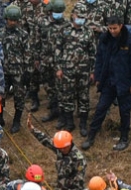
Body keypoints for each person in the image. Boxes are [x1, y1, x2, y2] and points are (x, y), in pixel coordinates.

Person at [51, 6, 97, 138]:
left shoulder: (88, 32)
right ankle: (69, 122)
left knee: (83, 97)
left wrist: (93, 71)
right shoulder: (64, 30)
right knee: (68, 96)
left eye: (83, 17)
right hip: (67, 71)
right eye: (79, 16)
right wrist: (58, 68)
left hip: (84, 71)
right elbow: (58, 50)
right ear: (73, 15)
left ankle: (83, 124)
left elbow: (93, 53)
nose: (80, 19)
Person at [27, 116, 87, 190]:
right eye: (59, 148)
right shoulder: (60, 147)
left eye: (64, 148)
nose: (61, 150)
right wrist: (33, 130)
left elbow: (78, 183)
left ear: (69, 144)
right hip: (60, 189)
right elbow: (46, 140)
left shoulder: (78, 160)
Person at [0, 5, 30, 134]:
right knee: (0, 96)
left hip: (18, 72)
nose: (12, 22)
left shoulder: (23, 34)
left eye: (15, 20)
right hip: (3, 72)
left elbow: (27, 53)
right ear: (6, 19)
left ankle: (16, 121)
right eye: (10, 20)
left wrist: (27, 72)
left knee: (19, 97)